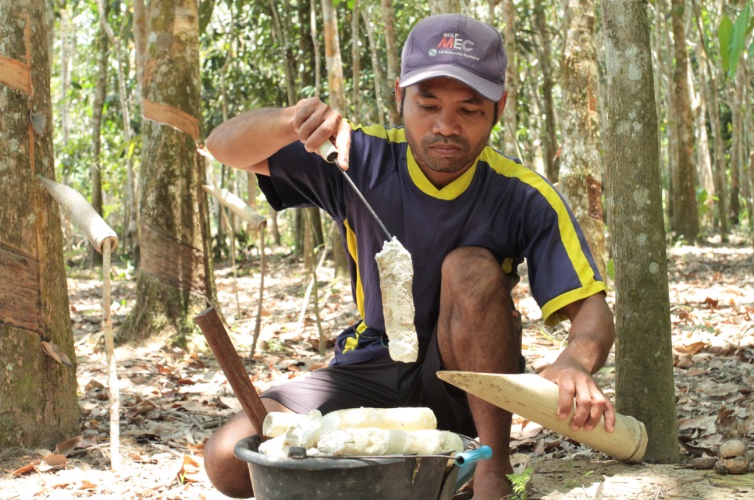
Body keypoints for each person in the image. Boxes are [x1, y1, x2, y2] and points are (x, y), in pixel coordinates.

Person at [203, 13, 616, 500]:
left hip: (466, 383)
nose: (446, 126)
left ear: (499, 107)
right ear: (399, 95)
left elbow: (591, 311)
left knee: (468, 268)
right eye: (427, 104)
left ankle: (493, 470)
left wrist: (574, 361)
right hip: (370, 365)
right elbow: (220, 146)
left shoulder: (522, 196)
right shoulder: (357, 157)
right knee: (230, 460)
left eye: (470, 109)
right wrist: (292, 122)